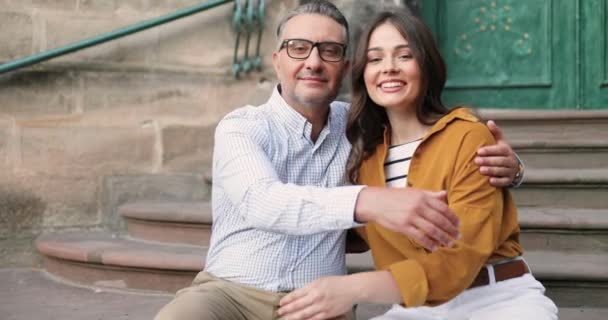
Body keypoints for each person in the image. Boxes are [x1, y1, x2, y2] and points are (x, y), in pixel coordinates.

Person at [155, 2, 523, 320]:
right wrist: (367, 200)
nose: (313, 62)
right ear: (277, 60)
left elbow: (431, 153)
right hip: (229, 293)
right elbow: (262, 201)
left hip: (317, 298)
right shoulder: (242, 127)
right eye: (298, 48)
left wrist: (511, 168)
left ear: (347, 66)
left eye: (329, 51)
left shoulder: (364, 128)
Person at [276, 9, 557, 320]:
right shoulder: (364, 160)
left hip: (498, 299)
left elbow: (458, 259)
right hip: (416, 308)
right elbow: (335, 231)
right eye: (375, 59)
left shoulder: (467, 136)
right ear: (361, 73)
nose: (389, 69)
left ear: (426, 65)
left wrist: (353, 288)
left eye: (404, 55)